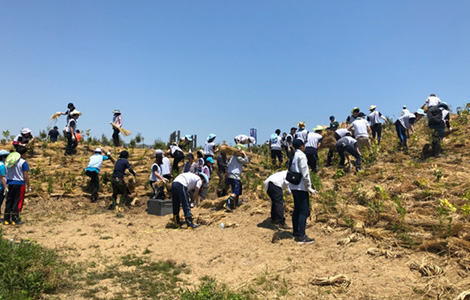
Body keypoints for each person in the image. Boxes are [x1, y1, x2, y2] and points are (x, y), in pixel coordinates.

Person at [289, 139, 316, 244]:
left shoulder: (294, 156)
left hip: (294, 186)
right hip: (301, 187)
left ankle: (295, 232)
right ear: (301, 146)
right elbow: (305, 173)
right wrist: (309, 187)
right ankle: (302, 236)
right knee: (304, 211)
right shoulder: (302, 156)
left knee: (297, 209)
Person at [4, 146, 30, 225]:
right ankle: (14, 219)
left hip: (9, 183)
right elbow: (25, 175)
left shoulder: (9, 161)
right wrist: (28, 185)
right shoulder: (23, 162)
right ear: (23, 154)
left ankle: (6, 219)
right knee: (17, 201)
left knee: (9, 201)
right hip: (19, 183)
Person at [224, 144, 249, 212]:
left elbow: (228, 166)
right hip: (235, 176)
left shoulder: (232, 157)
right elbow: (246, 161)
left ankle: (234, 204)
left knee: (237, 189)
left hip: (230, 175)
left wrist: (226, 174)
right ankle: (228, 203)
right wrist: (245, 155)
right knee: (236, 191)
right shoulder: (238, 157)